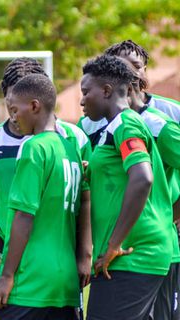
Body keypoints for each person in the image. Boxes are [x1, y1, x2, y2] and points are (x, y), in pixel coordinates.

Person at [0, 58, 92, 320]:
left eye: (15, 109)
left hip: (28, 275)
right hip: (62, 279)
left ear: (34, 105)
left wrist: (8, 275)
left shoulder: (35, 147)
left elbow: (24, 215)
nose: (12, 117)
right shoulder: (66, 147)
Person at [80, 55, 172, 320]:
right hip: (132, 256)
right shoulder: (114, 127)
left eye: (86, 92)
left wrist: (113, 244)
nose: (82, 99)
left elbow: (142, 177)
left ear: (107, 91)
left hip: (133, 254)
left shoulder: (126, 123)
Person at [119, 57, 180, 320]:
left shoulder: (164, 117)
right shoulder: (92, 122)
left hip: (155, 245)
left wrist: (172, 214)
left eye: (136, 64)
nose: (130, 71)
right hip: (113, 247)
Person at [78, 39, 180, 147]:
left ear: (144, 70)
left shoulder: (172, 112)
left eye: (136, 66)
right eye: (120, 66)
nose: (129, 71)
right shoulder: (89, 123)